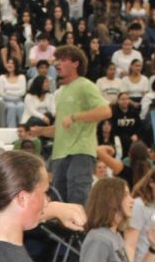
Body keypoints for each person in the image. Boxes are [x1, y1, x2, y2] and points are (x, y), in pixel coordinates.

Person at [30, 45, 110, 207]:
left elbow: (105, 111)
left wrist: (75, 117)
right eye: (56, 60)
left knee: (77, 200)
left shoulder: (85, 85)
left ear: (75, 63)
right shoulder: (60, 93)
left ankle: (80, 232)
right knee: (58, 202)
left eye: (63, 60)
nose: (57, 64)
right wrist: (41, 132)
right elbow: (61, 128)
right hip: (60, 154)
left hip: (80, 152)